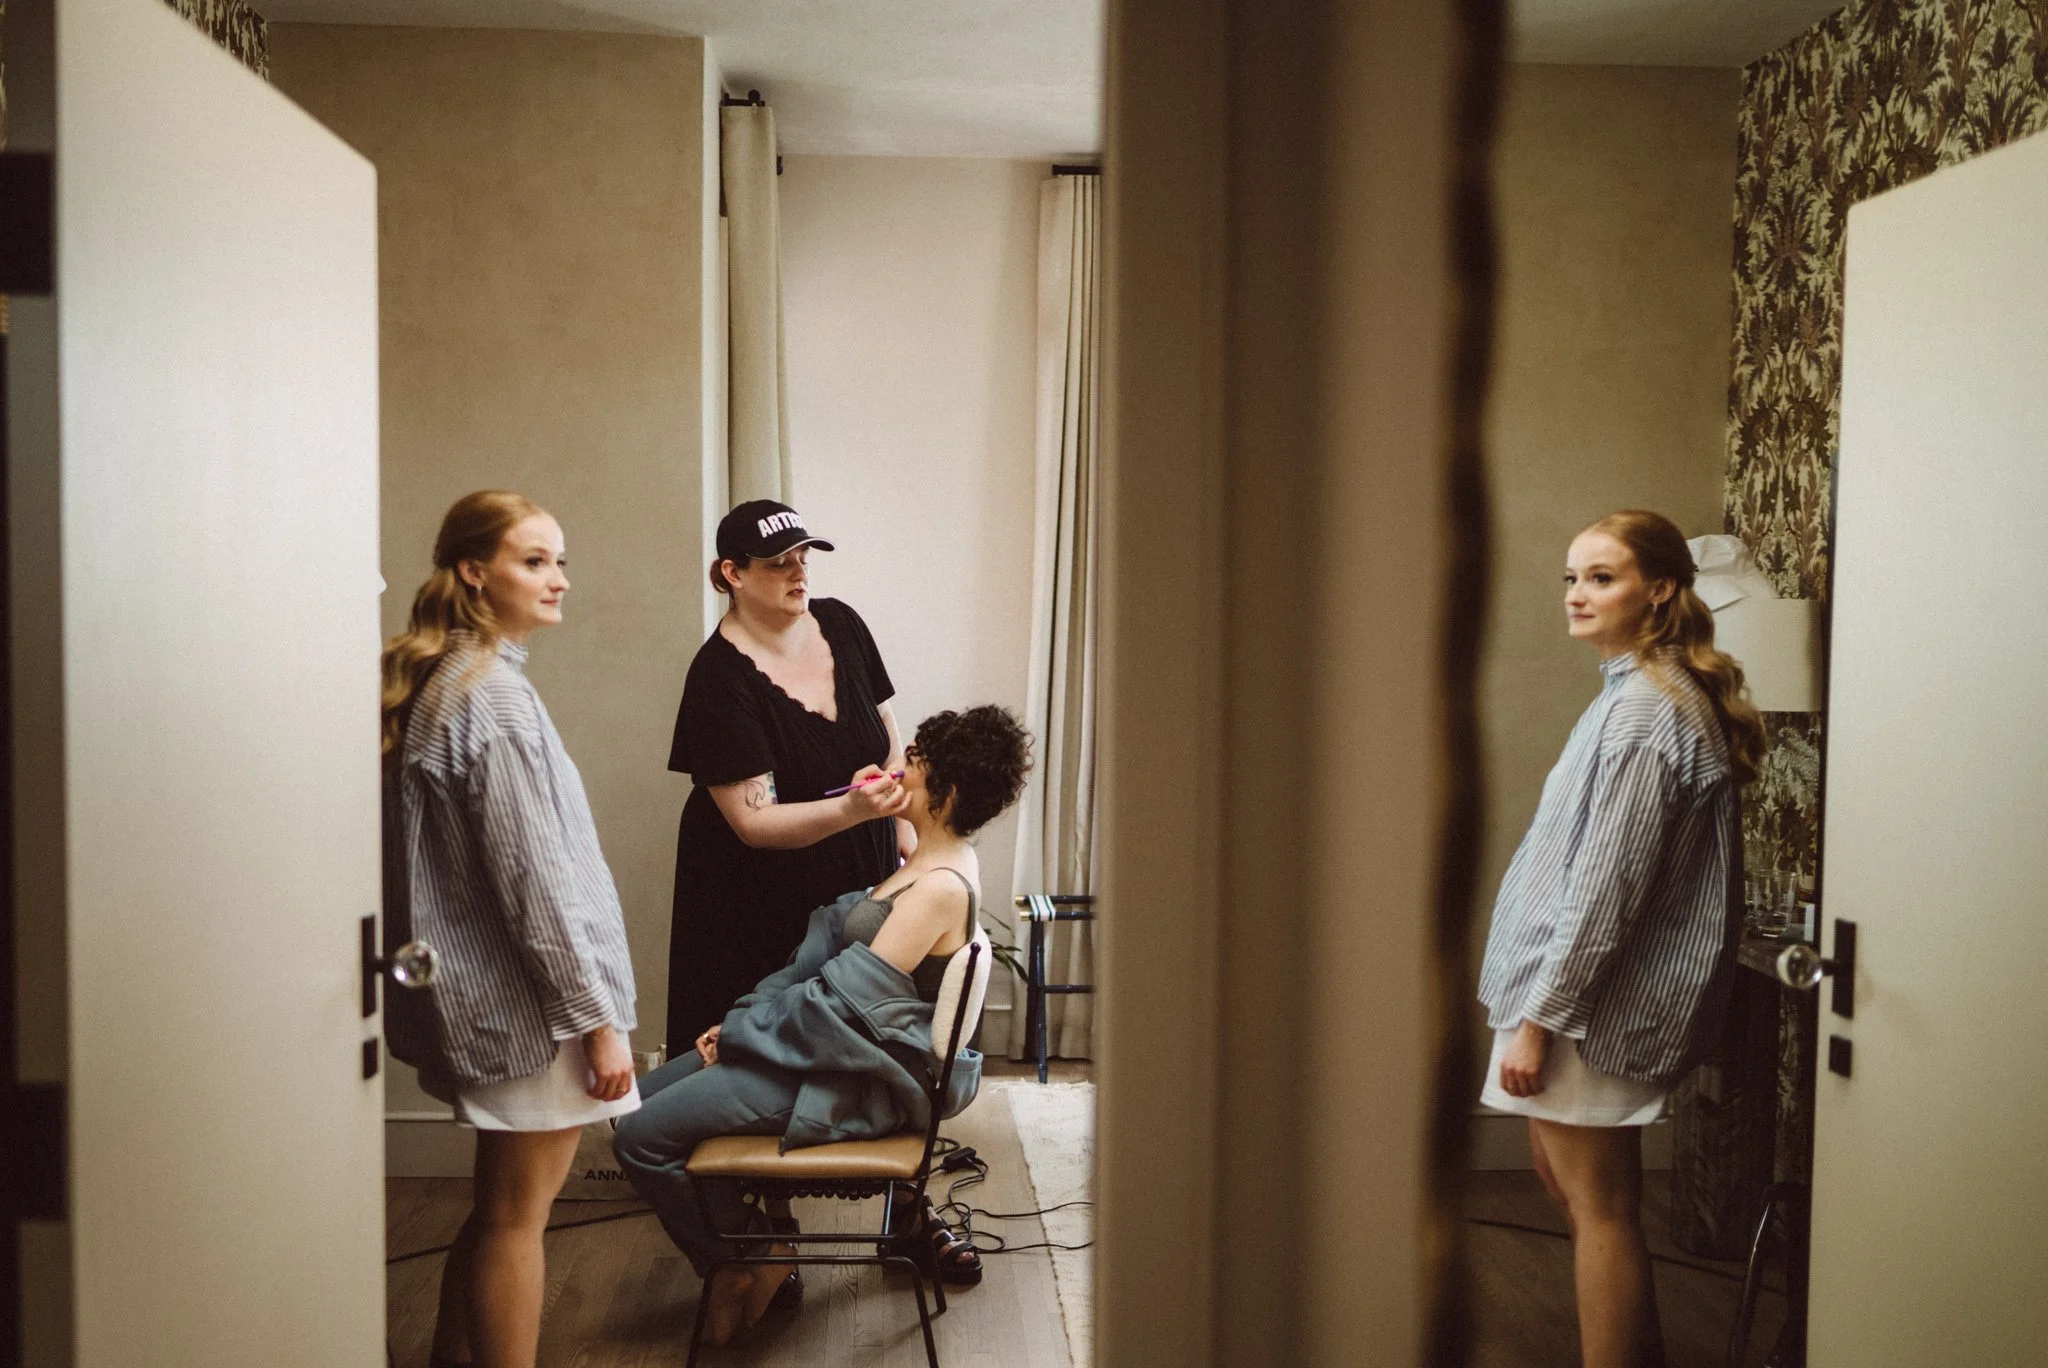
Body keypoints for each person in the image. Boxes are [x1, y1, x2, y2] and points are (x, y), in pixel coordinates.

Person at [615, 705, 1032, 1347]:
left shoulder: (941, 887)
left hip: (846, 1073)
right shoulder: (927, 858)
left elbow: (841, 1004)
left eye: (913, 764)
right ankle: (757, 1248)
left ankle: (741, 1256)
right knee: (635, 1107)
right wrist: (740, 1021)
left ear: (946, 793)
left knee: (641, 1138)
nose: (896, 769)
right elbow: (826, 972)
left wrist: (740, 1034)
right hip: (818, 1047)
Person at [1476, 509, 1763, 1368]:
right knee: (1576, 1194)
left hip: (1586, 1008)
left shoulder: (1645, 712)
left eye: (1602, 578)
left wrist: (1540, 1021)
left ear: (1661, 589)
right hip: (1570, 997)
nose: (1577, 593)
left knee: (1599, 1210)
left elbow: (1607, 891)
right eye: (1572, 577)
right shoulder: (1632, 695)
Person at [381, 490, 641, 1368]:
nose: (557, 579)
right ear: (473, 571)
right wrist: (597, 1021)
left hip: (507, 1001)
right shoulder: (491, 698)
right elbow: (537, 886)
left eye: (559, 561)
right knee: (517, 1222)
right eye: (534, 561)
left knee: (499, 1211)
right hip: (536, 1011)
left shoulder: (452, 682)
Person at [665, 499, 913, 1057]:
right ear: (734, 573)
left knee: (855, 1026)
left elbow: (888, 732)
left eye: (803, 557)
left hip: (860, 860)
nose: (799, 573)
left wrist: (901, 825)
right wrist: (854, 809)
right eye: (779, 563)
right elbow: (753, 823)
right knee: (764, 1041)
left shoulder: (842, 624)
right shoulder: (718, 677)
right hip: (758, 891)